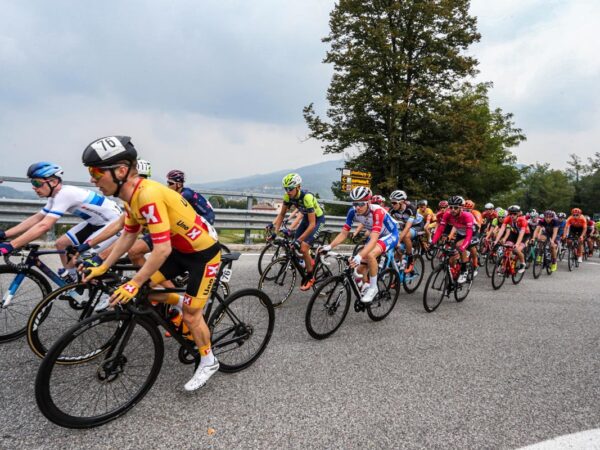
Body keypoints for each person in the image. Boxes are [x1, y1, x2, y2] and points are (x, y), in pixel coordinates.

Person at [80, 135, 221, 391]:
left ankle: (209, 360)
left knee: (191, 314)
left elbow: (161, 248)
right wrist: (104, 266)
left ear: (121, 171)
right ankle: (181, 299)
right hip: (180, 251)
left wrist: (133, 282)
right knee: (147, 290)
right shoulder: (130, 196)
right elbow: (128, 234)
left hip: (203, 255)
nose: (92, 179)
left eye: (96, 172)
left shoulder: (148, 195)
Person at [0, 162, 121, 282]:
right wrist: (5, 234)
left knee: (84, 257)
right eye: (33, 183)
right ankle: (73, 278)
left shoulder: (65, 194)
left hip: (114, 224)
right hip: (96, 222)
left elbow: (44, 226)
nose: (34, 187)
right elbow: (37, 218)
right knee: (61, 243)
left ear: (53, 182)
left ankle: (102, 287)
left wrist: (12, 245)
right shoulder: (55, 195)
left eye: (37, 183)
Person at [320, 186, 398, 303]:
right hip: (375, 234)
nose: (357, 207)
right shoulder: (352, 211)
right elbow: (344, 233)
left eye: (361, 204)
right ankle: (366, 286)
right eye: (355, 204)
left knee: (370, 254)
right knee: (360, 269)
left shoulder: (377, 211)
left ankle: (373, 288)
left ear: (369, 202)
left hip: (390, 234)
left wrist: (360, 256)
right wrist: (329, 247)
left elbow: (374, 239)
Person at [269, 173, 325, 290]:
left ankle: (310, 277)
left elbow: (312, 224)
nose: (288, 191)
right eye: (286, 188)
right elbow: (281, 215)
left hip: (317, 220)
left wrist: (299, 240)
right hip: (306, 219)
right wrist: (275, 233)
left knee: (303, 247)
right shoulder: (287, 197)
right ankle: (310, 260)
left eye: (290, 188)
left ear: (298, 187)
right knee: (294, 246)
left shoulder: (307, 197)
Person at [431, 196, 475, 283]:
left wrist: (463, 247)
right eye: (451, 207)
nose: (453, 210)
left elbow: (469, 235)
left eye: (456, 208)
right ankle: (454, 276)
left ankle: (464, 271)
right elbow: (440, 229)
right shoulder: (447, 214)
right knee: (451, 260)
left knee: (459, 246)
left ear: (461, 208)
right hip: (460, 234)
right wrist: (433, 242)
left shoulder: (467, 216)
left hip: (471, 234)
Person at [388, 190, 424, 272]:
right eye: (391, 203)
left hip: (417, 225)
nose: (392, 205)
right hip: (405, 224)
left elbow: (407, 227)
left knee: (405, 236)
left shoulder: (411, 208)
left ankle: (410, 258)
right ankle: (400, 261)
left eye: (394, 203)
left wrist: (398, 240)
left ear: (402, 202)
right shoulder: (392, 209)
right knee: (398, 244)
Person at [493, 205, 530, 273]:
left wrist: (517, 244)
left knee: (516, 250)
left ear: (518, 214)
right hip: (514, 233)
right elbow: (502, 230)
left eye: (514, 214)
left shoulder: (523, 220)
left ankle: (523, 263)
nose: (512, 215)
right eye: (510, 214)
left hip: (524, 235)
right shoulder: (507, 218)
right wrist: (496, 241)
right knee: (507, 247)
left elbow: (521, 234)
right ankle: (505, 264)